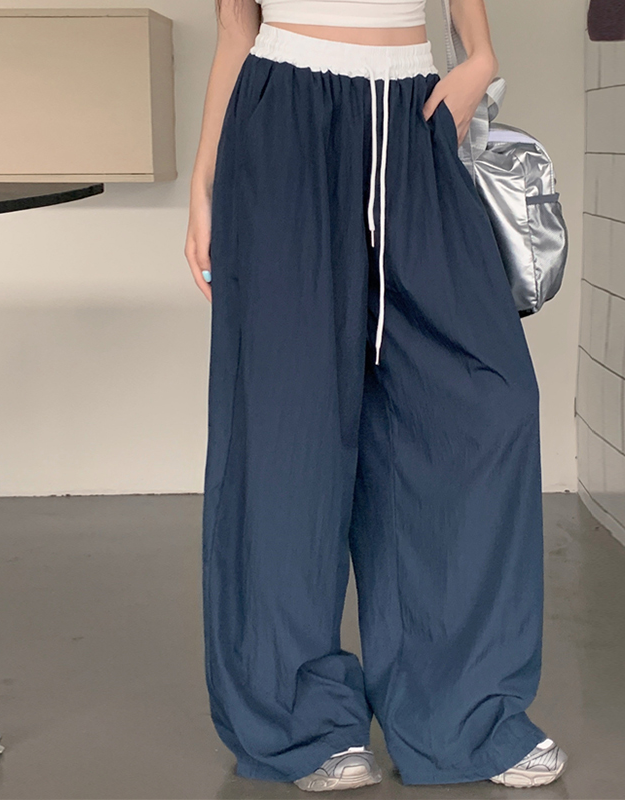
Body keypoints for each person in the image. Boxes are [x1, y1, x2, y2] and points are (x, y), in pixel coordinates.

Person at [185, 0, 568, 791]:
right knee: (287, 429)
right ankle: (297, 720)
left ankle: (464, 712)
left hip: (413, 112)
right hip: (283, 113)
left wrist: (480, 54)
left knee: (486, 404)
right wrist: (203, 184)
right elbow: (234, 25)